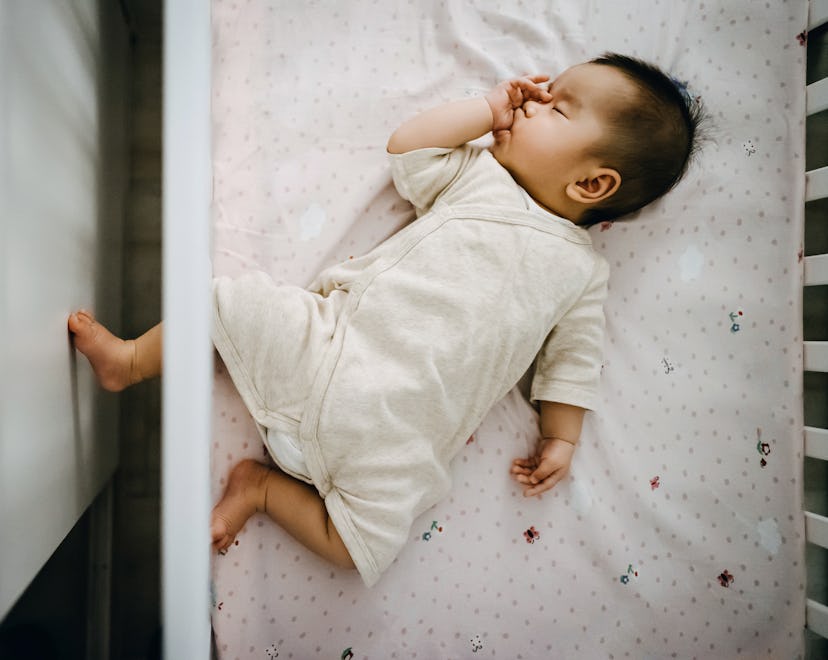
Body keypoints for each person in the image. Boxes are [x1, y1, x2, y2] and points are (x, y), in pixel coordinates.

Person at [68, 53, 702, 587]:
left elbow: (573, 361)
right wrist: (487, 108)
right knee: (228, 303)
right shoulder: (478, 176)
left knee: (363, 550)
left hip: (398, 436)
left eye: (556, 106)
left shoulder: (581, 274)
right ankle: (129, 361)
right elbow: (409, 148)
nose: (531, 99)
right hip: (330, 346)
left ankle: (259, 489)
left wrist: (562, 436)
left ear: (593, 185)